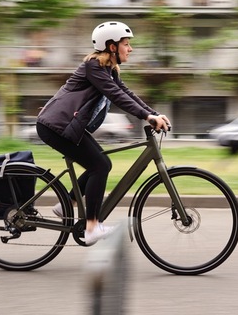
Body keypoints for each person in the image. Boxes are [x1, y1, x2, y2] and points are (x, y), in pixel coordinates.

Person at [36, 21, 170, 245]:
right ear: (111, 47)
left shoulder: (108, 69)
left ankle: (67, 203)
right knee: (99, 165)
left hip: (68, 126)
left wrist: (154, 114)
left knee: (101, 163)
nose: (130, 49)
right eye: (126, 44)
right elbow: (116, 96)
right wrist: (147, 117)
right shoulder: (94, 67)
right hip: (56, 127)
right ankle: (91, 227)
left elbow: (125, 93)